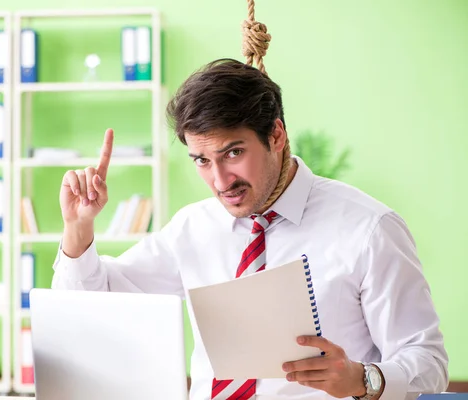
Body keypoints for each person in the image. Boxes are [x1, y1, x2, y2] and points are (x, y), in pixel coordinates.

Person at [50, 58, 448, 400]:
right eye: (202, 161)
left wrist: (362, 379)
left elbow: (428, 362)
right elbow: (90, 304)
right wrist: (78, 226)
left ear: (276, 135)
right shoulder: (193, 227)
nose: (221, 181)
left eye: (233, 153)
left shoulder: (369, 228)